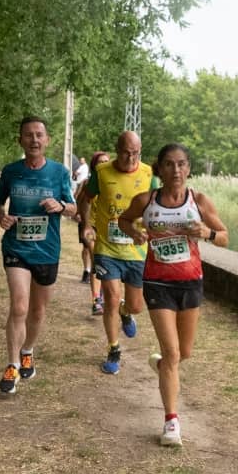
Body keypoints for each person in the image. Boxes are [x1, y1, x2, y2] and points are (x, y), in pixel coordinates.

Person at [117, 143, 229, 446]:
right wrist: (135, 233)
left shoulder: (199, 201)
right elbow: (124, 220)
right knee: (173, 353)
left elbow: (224, 237)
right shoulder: (146, 200)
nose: (176, 170)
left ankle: (162, 366)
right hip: (158, 283)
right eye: (169, 164)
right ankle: (171, 421)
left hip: (191, 283)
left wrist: (207, 233)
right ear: (160, 169)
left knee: (183, 353)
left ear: (188, 168)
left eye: (181, 164)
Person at [0, 116, 76, 394]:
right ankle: (12, 365)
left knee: (37, 311)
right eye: (29, 135)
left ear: (47, 140)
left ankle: (27, 350)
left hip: (47, 250)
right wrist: (1, 217)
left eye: (39, 135)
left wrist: (60, 205)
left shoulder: (59, 172)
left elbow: (73, 209)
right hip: (16, 247)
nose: (34, 140)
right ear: (21, 140)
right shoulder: (11, 172)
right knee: (19, 306)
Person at [79, 131, 157, 375]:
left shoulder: (149, 174)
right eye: (126, 153)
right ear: (117, 150)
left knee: (136, 306)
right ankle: (113, 348)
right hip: (107, 247)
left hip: (136, 250)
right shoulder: (102, 172)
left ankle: (126, 312)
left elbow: (157, 206)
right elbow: (85, 199)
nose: (131, 158)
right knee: (111, 298)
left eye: (136, 153)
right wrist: (87, 225)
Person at [75, 151, 110, 312]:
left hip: (108, 229)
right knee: (97, 260)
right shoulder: (88, 183)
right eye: (100, 162)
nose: (103, 164)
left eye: (106, 161)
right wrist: (81, 218)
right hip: (91, 226)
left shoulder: (113, 182)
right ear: (94, 165)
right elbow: (80, 200)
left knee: (107, 263)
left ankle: (105, 294)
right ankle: (96, 300)